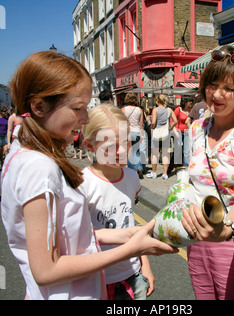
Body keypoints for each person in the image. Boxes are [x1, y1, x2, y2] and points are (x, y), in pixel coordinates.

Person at [0, 51, 177, 300]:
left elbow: (66, 238)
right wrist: (130, 248)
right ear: (39, 106)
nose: (84, 119)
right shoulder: (39, 167)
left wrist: (127, 235)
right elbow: (46, 270)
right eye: (77, 108)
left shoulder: (21, 155)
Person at [181, 46, 234, 300]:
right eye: (212, 84)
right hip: (197, 243)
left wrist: (225, 229)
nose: (217, 94)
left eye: (229, 89)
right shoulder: (197, 128)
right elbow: (192, 180)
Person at [81, 104, 155, 300]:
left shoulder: (131, 177)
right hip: (95, 281)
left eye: (126, 141)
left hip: (133, 276)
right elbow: (77, 236)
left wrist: (145, 265)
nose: (122, 150)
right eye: (111, 145)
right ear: (90, 146)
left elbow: (130, 223)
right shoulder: (82, 185)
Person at [146, 94, 177, 180]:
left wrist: (152, 127)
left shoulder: (155, 110)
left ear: (157, 100)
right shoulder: (169, 110)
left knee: (155, 154)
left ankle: (154, 172)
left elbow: (153, 122)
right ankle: (165, 173)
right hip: (166, 134)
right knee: (165, 154)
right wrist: (170, 127)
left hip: (156, 133)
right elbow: (175, 121)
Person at [122, 92, 144, 179]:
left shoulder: (123, 110)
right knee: (137, 152)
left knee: (129, 152)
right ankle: (139, 168)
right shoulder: (139, 110)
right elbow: (141, 123)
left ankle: (132, 171)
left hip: (128, 132)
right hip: (137, 132)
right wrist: (142, 134)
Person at [173, 96, 193, 167]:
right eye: (189, 101)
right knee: (178, 149)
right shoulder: (178, 110)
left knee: (186, 151)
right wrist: (175, 131)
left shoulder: (191, 110)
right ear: (185, 102)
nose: (191, 102)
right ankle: (176, 166)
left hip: (187, 133)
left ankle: (186, 167)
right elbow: (172, 121)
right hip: (179, 133)